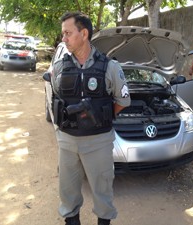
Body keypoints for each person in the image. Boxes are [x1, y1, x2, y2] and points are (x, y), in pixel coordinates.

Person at [50, 12, 131, 225]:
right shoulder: (59, 67)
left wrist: (101, 116)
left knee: (103, 193)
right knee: (68, 194)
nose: (63, 39)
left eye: (67, 33)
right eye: (62, 34)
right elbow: (58, 101)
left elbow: (123, 100)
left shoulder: (110, 67)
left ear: (84, 33)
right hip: (67, 142)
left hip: (99, 142)